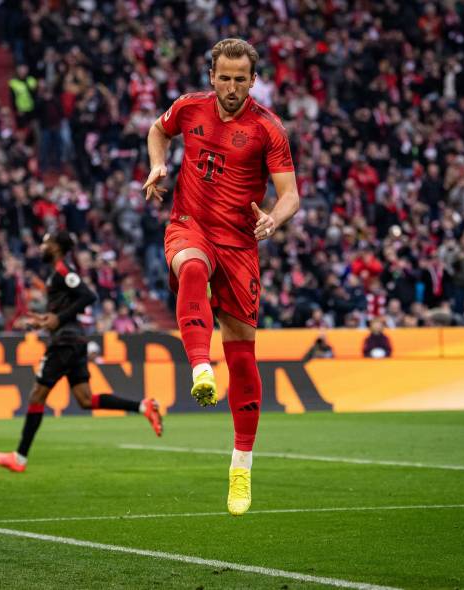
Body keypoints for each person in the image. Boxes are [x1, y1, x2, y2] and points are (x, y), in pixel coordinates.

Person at [143, 38, 299, 515]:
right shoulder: (190, 108)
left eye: (240, 79)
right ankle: (199, 367)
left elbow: (290, 192)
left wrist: (275, 217)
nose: (231, 87)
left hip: (240, 244)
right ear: (212, 75)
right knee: (190, 265)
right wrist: (158, 164)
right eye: (224, 77)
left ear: (253, 80)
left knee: (245, 355)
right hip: (189, 224)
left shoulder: (268, 128)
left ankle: (240, 466)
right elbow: (157, 129)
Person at [0, 231, 162, 473]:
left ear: (57, 247)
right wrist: (46, 321)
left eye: (46, 242)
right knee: (85, 399)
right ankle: (143, 407)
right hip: (74, 340)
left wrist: (58, 318)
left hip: (66, 341)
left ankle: (19, 458)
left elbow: (88, 296)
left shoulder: (62, 271)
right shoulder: (55, 273)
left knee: (37, 395)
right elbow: (68, 305)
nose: (42, 246)